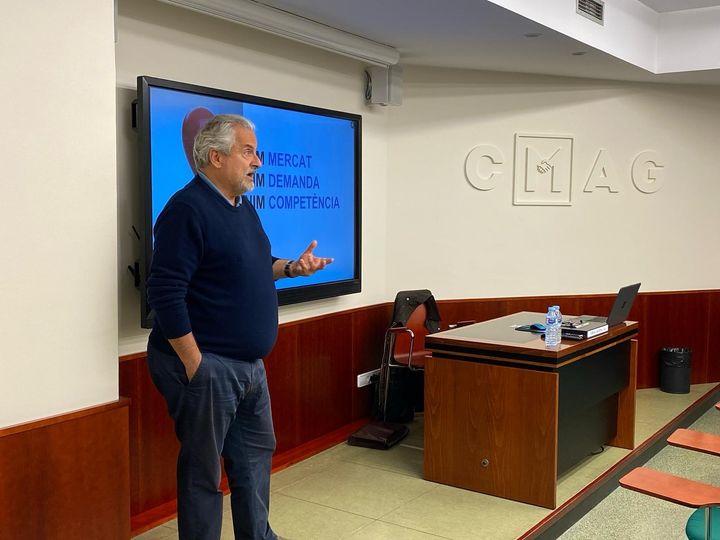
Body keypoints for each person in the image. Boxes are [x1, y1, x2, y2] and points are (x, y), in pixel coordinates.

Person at [146, 114, 332, 540]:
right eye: (248, 151)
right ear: (215, 156)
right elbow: (165, 291)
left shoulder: (242, 208)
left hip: (248, 367)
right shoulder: (186, 209)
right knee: (203, 472)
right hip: (207, 364)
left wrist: (290, 268)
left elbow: (247, 268)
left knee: (253, 461)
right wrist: (197, 365)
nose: (259, 161)